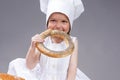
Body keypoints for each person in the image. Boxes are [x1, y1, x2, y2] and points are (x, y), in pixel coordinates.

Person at [7, 0, 91, 80]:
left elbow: (72, 70)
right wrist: (32, 47)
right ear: (47, 22)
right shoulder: (43, 40)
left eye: (64, 21)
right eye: (53, 20)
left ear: (70, 24)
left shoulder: (73, 42)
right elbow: (30, 65)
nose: (58, 26)